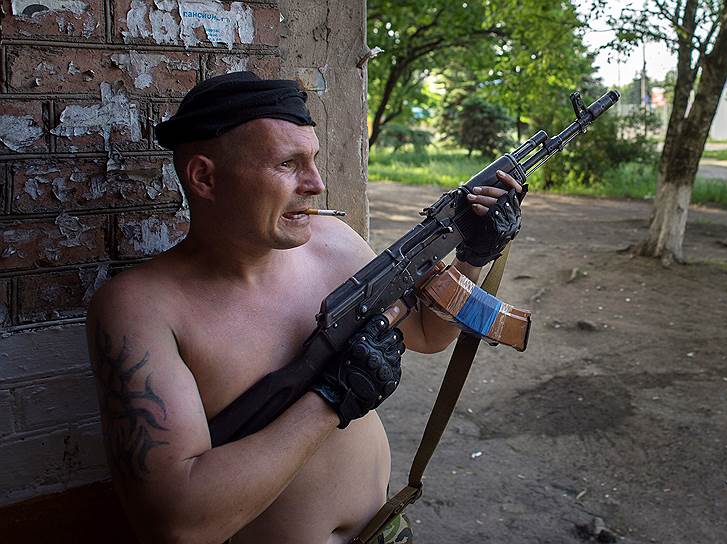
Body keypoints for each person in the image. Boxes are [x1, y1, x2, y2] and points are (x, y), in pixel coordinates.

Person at [85, 71, 524, 544]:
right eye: (287, 164)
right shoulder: (141, 308)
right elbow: (176, 523)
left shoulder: (333, 243)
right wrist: (328, 401)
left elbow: (426, 336)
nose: (315, 184)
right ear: (205, 177)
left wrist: (471, 259)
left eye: (312, 160)